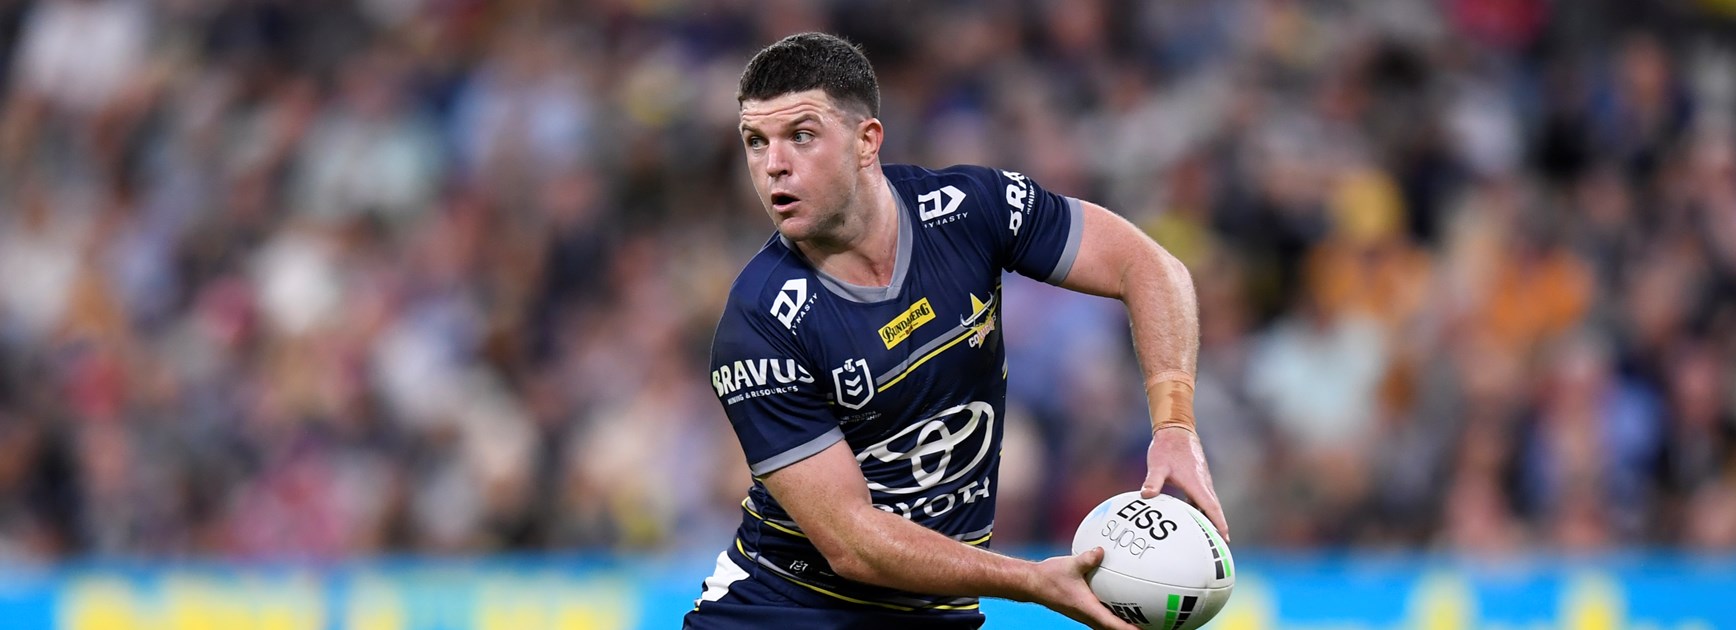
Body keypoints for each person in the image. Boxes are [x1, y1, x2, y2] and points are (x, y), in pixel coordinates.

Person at [686, 32, 1228, 630]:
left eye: (801, 135)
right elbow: (853, 544)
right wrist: (1030, 580)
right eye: (755, 142)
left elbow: (1149, 267)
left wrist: (1174, 426)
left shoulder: (968, 210)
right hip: (783, 612)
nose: (773, 165)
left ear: (867, 141)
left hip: (937, 611)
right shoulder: (759, 324)